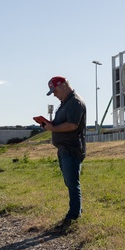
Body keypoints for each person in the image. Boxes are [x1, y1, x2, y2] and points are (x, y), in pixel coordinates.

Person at [38, 76, 87, 224]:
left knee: (72, 182)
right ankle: (76, 209)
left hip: (72, 149)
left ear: (64, 85)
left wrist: (53, 128)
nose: (54, 94)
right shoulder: (65, 103)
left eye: (55, 90)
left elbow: (72, 124)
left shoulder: (75, 102)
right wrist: (49, 124)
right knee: (69, 181)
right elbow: (62, 123)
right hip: (64, 149)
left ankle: (74, 215)